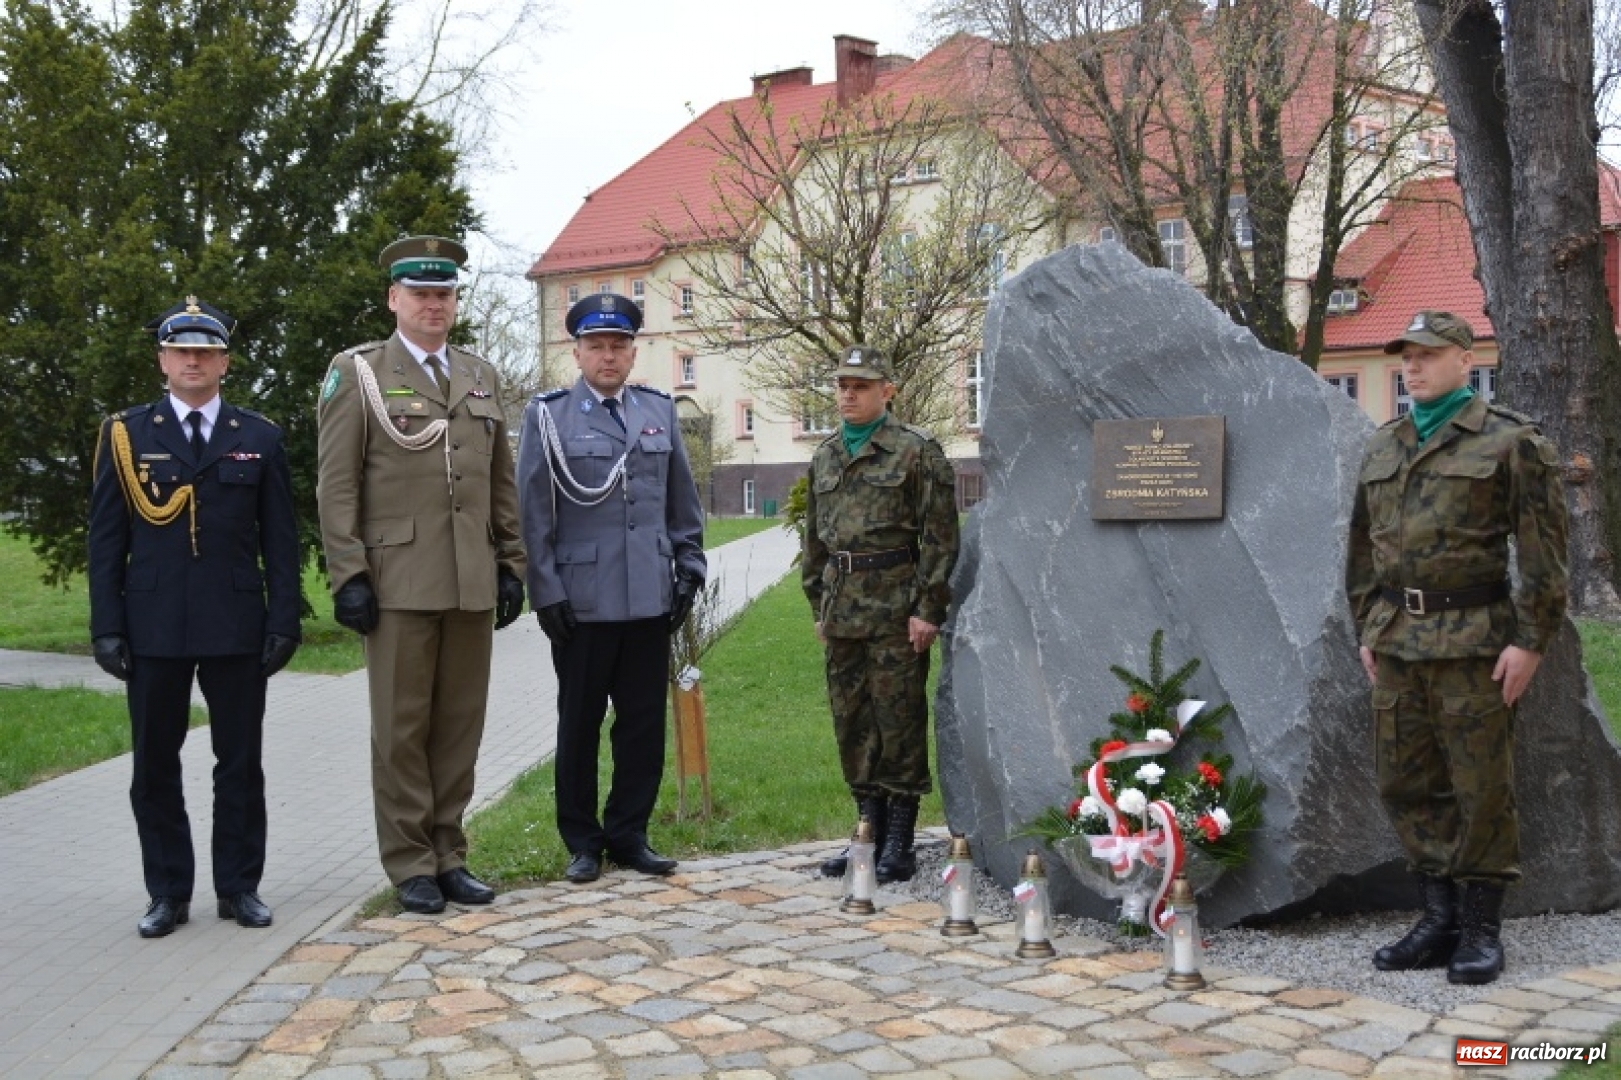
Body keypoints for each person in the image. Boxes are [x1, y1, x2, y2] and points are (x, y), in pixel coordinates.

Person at [1346, 310, 1569, 985]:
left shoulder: (1508, 443)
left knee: (1480, 786)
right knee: (1406, 782)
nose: (1411, 367)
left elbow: (1543, 555)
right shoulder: (1383, 444)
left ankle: (1478, 927)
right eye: (1404, 357)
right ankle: (1437, 917)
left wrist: (1530, 642)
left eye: (1425, 355)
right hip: (1398, 641)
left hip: (1475, 642)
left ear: (1461, 359)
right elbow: (1361, 551)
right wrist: (1367, 626)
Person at [316, 235, 526, 915]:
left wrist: (510, 564)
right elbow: (337, 484)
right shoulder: (360, 373)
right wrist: (348, 572)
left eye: (444, 294)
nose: (434, 305)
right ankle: (410, 863)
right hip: (397, 578)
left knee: (459, 725)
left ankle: (450, 853)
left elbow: (501, 483)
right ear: (393, 299)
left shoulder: (480, 375)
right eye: (421, 294)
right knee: (402, 728)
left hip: (469, 577)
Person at [88, 297, 301, 938]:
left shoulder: (257, 436)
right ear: (162, 360)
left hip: (236, 624)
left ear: (224, 362)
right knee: (155, 766)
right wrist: (107, 626)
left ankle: (239, 888)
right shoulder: (127, 435)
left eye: (205, 352)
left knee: (239, 764)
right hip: (152, 625)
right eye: (182, 351)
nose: (193, 361)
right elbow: (104, 540)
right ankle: (168, 893)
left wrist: (283, 621)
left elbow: (280, 541)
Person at [516, 292, 705, 885]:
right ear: (576, 352)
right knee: (579, 724)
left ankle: (630, 833)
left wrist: (688, 569)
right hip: (583, 600)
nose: (608, 355)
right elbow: (533, 513)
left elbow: (682, 500)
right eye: (596, 345)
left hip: (647, 594)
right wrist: (544, 590)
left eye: (618, 345)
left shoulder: (659, 411)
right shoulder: (548, 415)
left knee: (643, 723)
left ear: (632, 352)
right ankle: (582, 841)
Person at [803, 345, 960, 884]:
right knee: (852, 721)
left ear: (887, 391)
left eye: (862, 385)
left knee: (898, 720)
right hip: (843, 610)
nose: (849, 393)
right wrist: (818, 606)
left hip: (897, 610)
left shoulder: (916, 452)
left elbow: (940, 538)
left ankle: (900, 836)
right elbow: (814, 544)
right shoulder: (824, 456)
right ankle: (866, 828)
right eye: (843, 384)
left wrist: (928, 609)